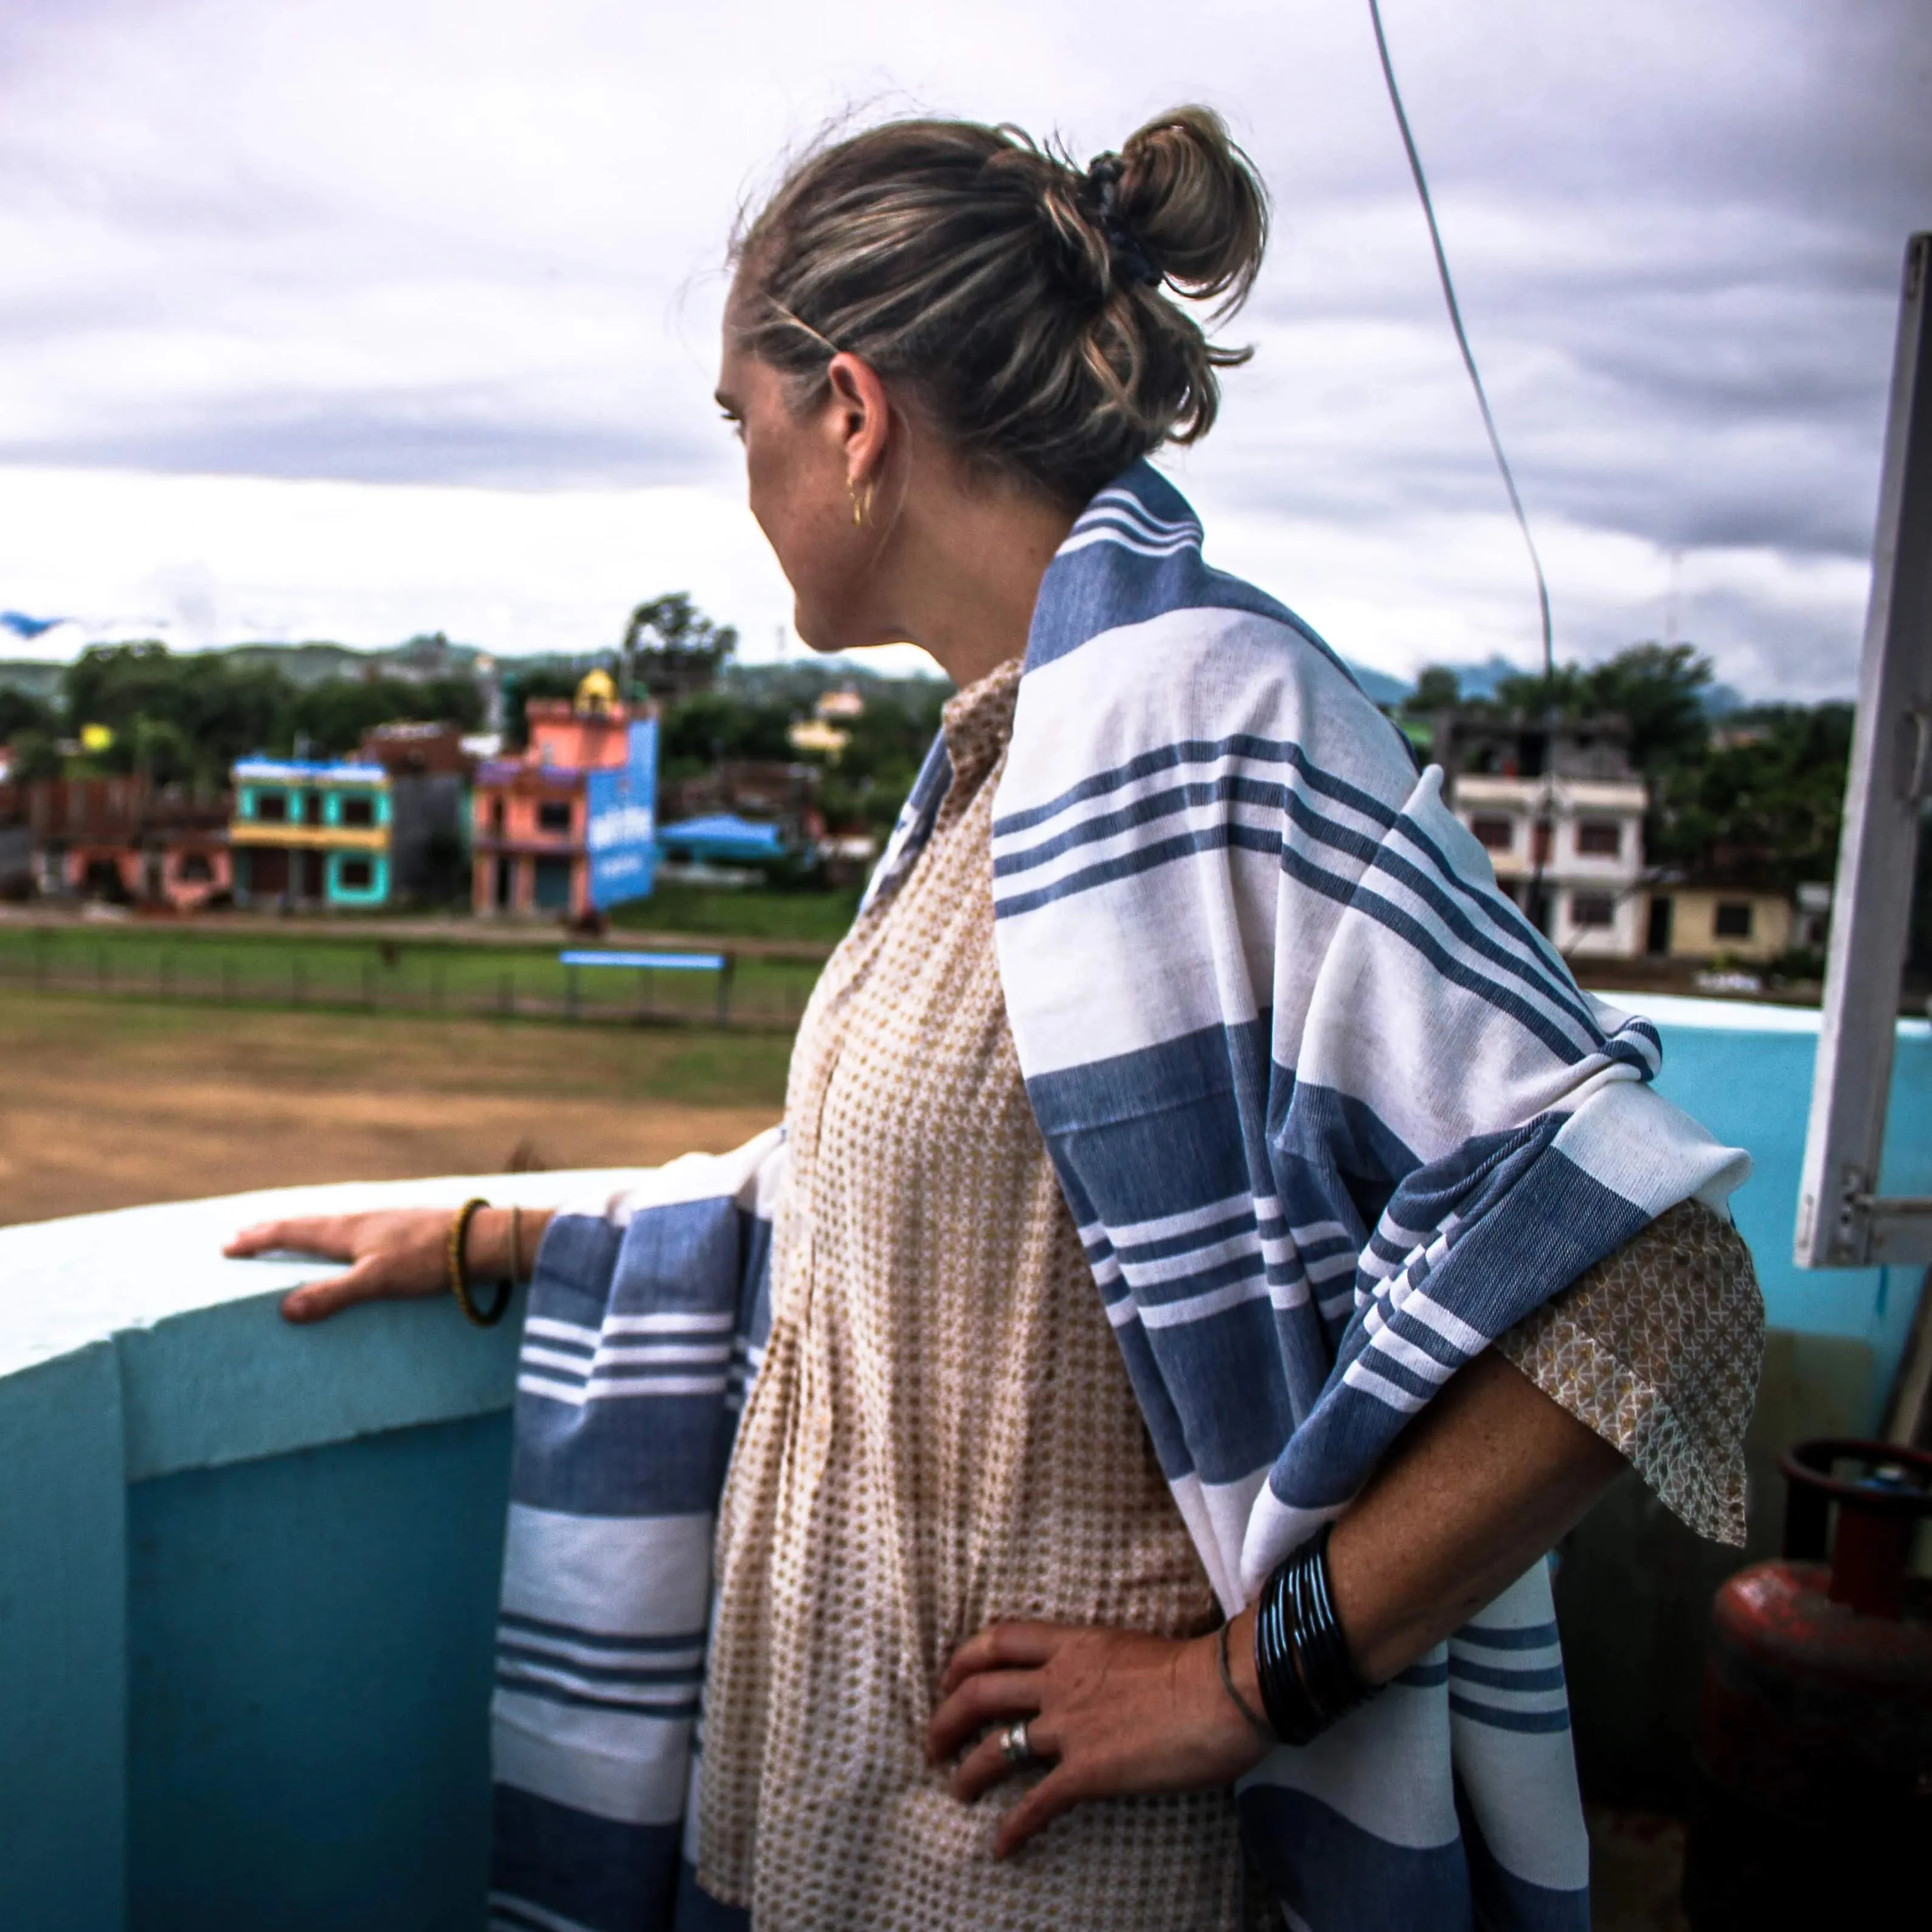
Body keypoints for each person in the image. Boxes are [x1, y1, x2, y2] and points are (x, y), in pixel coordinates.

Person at [229, 107, 1762, 1932]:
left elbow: (1640, 1280)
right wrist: (491, 1234)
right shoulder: (1011, 766)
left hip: (1058, 1871)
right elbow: (880, 1224)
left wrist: (1237, 1684)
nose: (742, 477)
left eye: (744, 419)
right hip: (843, 1823)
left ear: (854, 416)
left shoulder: (1209, 732)